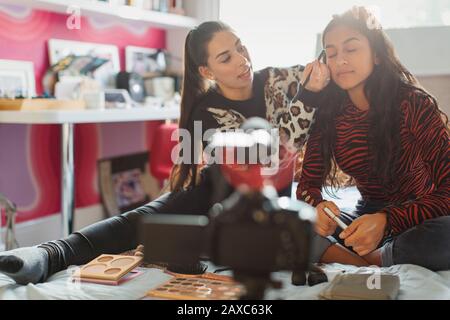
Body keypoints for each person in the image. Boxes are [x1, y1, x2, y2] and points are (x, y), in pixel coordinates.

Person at [0, 21, 325, 284]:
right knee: (145, 218)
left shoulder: (280, 79)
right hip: (223, 194)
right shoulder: (206, 111)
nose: (242, 59)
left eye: (240, 47)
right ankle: (50, 254)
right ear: (208, 72)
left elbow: (329, 78)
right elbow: (265, 159)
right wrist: (307, 98)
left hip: (274, 199)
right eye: (226, 57)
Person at [296, 7, 450, 270]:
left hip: (421, 216)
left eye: (351, 49)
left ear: (376, 54)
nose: (340, 60)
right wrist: (320, 209)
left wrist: (388, 220)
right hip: (362, 218)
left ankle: (367, 260)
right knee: (285, 221)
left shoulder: (413, 104)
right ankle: (370, 259)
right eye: (331, 53)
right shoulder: (328, 112)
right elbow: (306, 187)